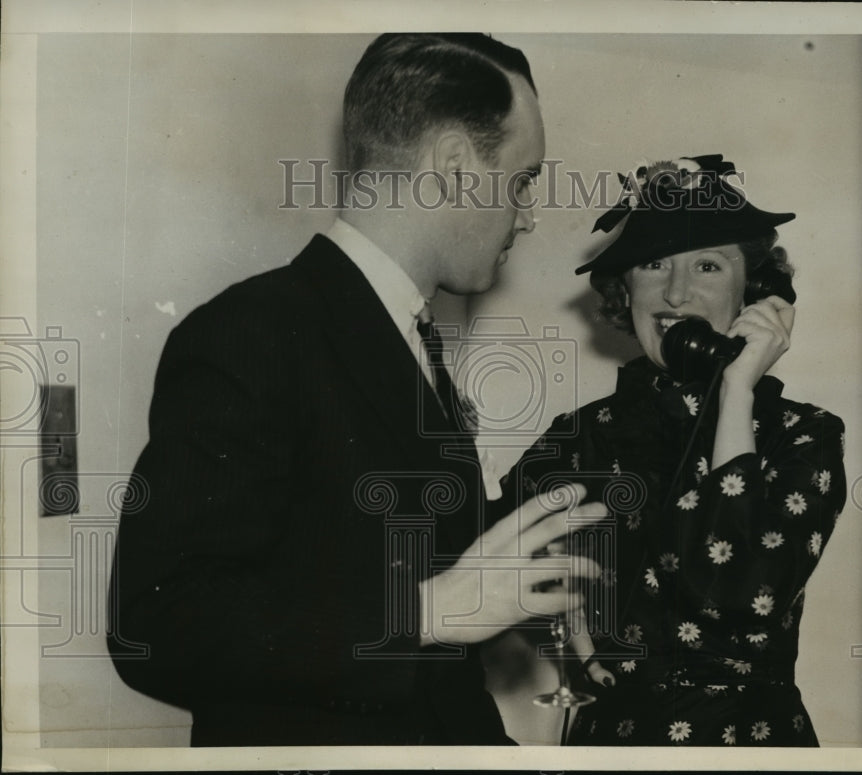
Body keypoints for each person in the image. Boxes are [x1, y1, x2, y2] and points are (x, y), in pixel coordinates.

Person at [107, 33, 605, 747]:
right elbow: (156, 623)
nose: (527, 214)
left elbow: (361, 548)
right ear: (457, 168)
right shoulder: (252, 330)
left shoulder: (400, 332)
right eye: (524, 181)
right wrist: (426, 612)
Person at [495, 155, 847, 746]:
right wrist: (553, 601)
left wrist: (735, 390)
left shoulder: (804, 435)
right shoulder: (585, 435)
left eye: (707, 265)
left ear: (755, 291)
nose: (676, 292)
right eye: (653, 264)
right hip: (612, 742)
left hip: (751, 746)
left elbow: (735, 588)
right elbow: (462, 551)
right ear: (625, 287)